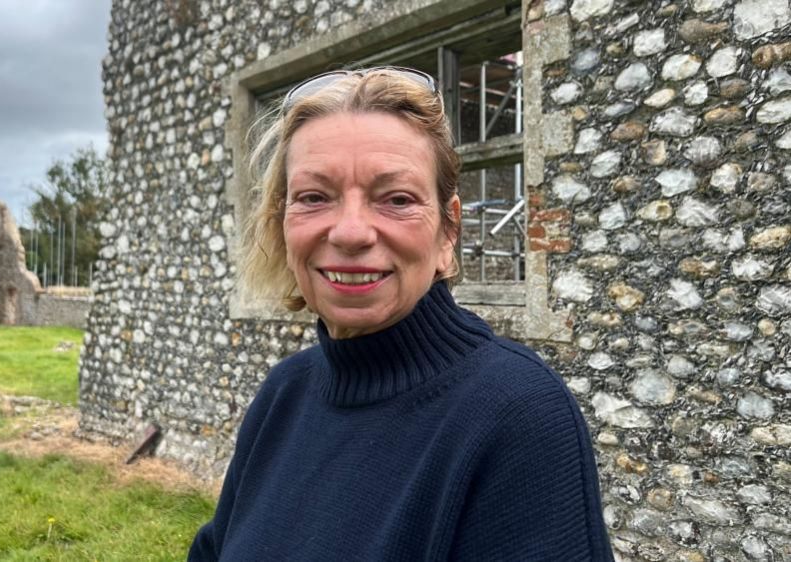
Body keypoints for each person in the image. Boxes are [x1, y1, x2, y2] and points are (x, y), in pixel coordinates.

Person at [188, 67, 613, 561]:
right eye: (313, 197)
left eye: (396, 199)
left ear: (447, 233)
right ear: (283, 222)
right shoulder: (284, 393)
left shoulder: (519, 415)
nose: (350, 232)